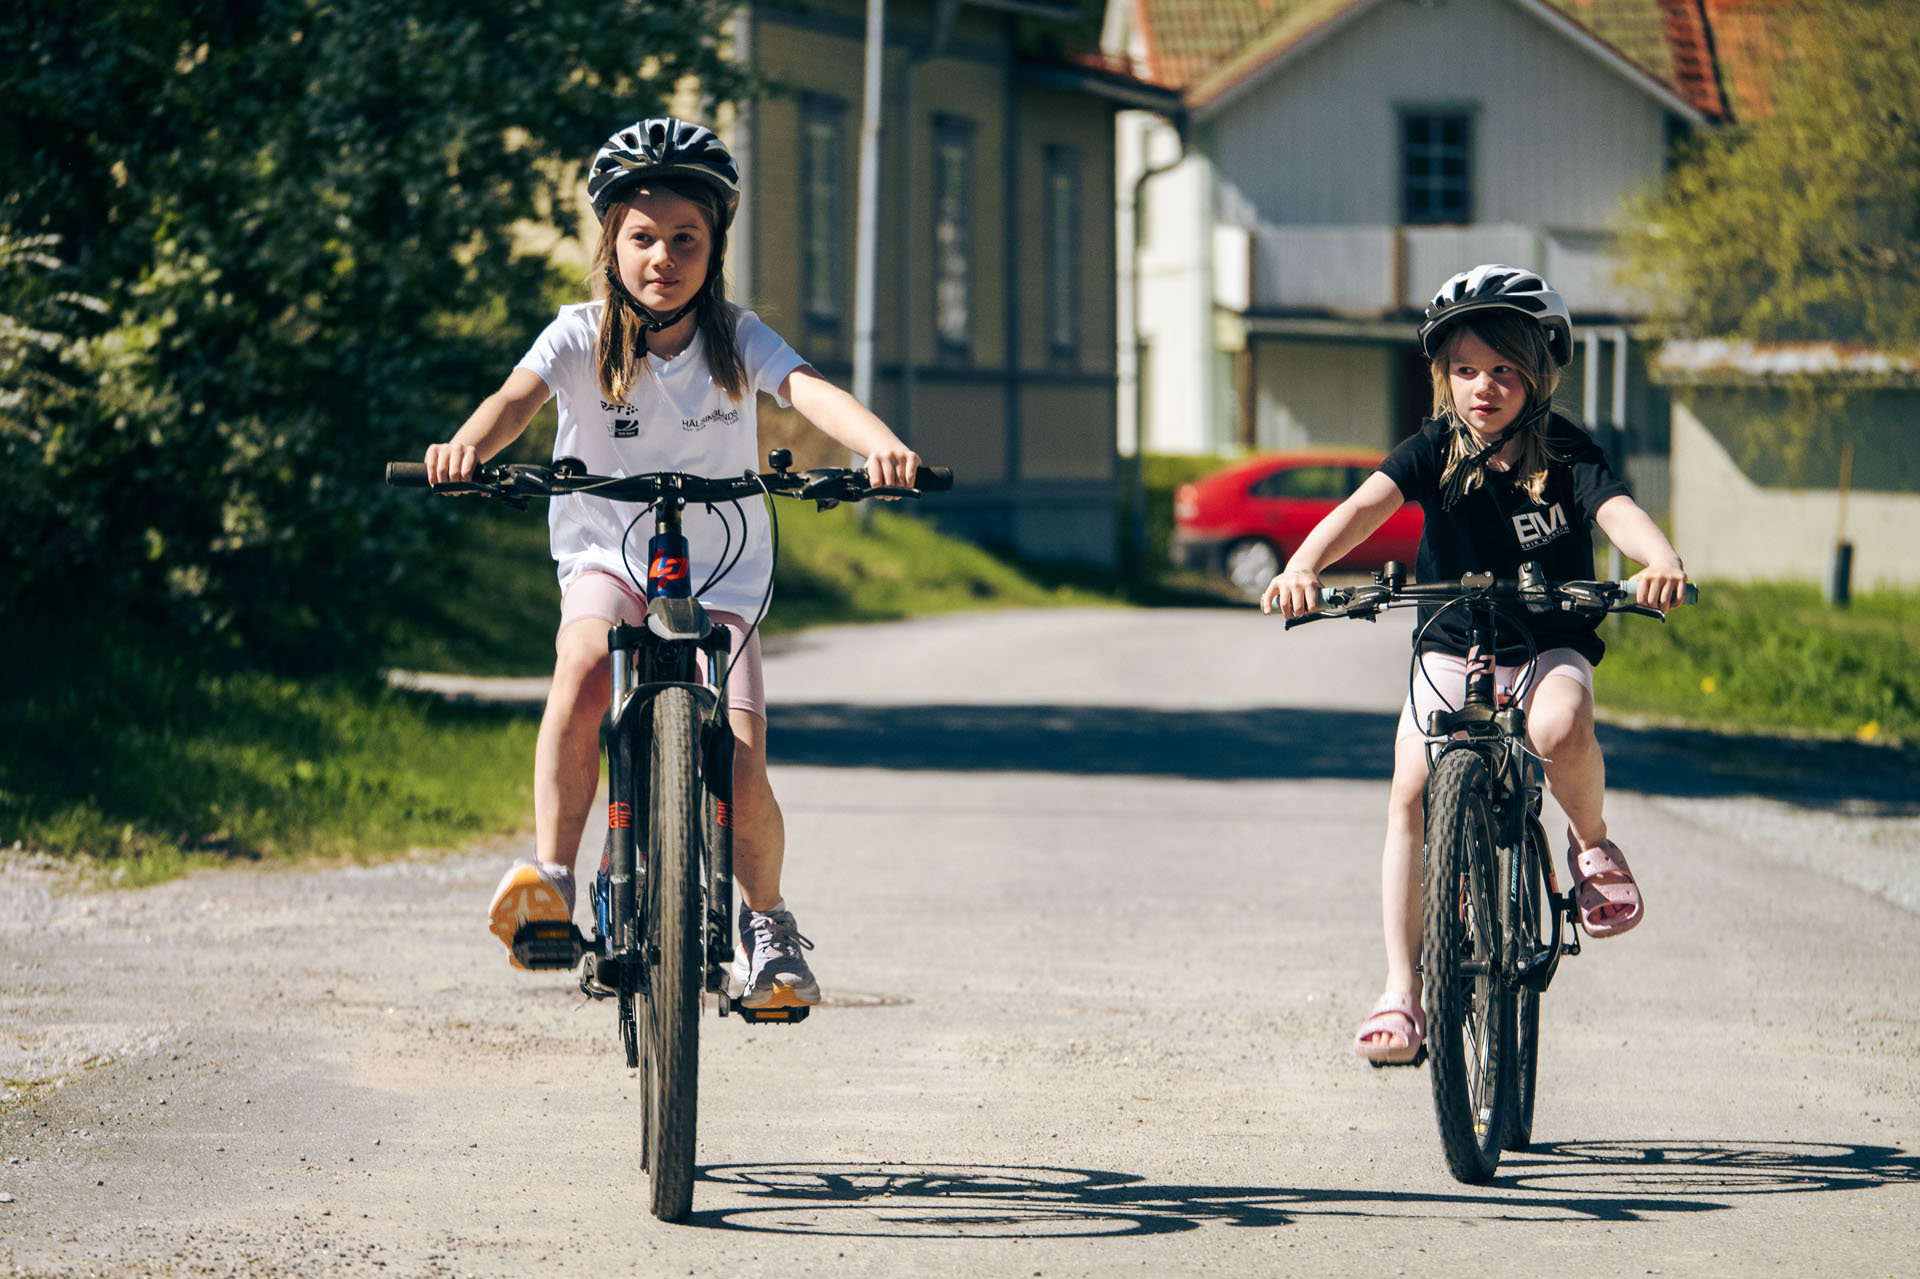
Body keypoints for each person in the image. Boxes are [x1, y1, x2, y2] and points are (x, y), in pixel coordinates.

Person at [423, 118, 920, 1011]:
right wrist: (465, 445)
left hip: (722, 565)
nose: (664, 256)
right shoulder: (578, 335)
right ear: (610, 244)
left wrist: (883, 447)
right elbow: (512, 401)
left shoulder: (735, 335)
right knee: (581, 665)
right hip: (609, 550)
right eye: (642, 237)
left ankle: (765, 929)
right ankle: (551, 878)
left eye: (685, 238)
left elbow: (813, 391)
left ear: (714, 245)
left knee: (738, 755)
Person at [1259, 264, 1688, 1065]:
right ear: (1442, 378)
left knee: (1559, 728)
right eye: (1464, 370)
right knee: (1411, 790)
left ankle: (1592, 847)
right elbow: (1363, 507)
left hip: (1548, 637)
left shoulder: (1564, 446)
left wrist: (1658, 557)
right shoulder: (1432, 448)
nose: (1481, 388)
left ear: (1537, 373)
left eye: (1501, 370)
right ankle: (1401, 990)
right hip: (1453, 642)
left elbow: (1617, 510)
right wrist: (1304, 566)